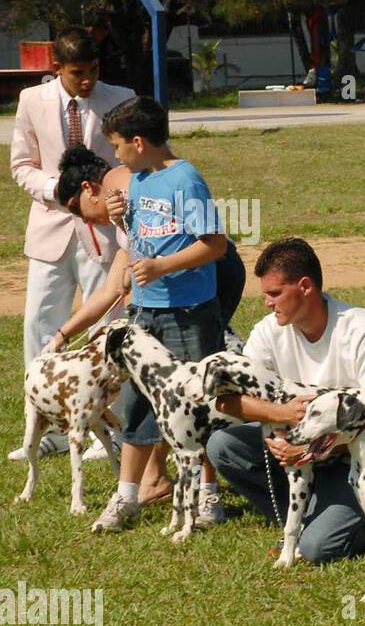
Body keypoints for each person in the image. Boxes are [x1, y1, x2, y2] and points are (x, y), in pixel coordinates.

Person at [66, 96, 229, 533]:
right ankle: (126, 497)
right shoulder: (138, 180)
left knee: (197, 402)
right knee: (137, 404)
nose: (114, 155)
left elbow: (215, 245)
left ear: (138, 142)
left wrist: (163, 267)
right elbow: (144, 240)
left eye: (118, 146)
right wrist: (122, 219)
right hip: (145, 308)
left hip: (188, 311)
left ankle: (208, 493)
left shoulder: (185, 180)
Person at [48, 144, 247, 501]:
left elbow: (160, 187)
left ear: (88, 189)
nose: (86, 222)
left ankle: (192, 484)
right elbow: (109, 292)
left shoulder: (119, 179)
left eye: (79, 211)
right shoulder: (124, 225)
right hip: (190, 281)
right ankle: (158, 477)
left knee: (185, 381)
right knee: (163, 382)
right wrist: (64, 333)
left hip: (209, 274)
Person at [206, 238, 365, 563]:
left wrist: (312, 450)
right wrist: (281, 413)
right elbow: (227, 401)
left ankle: (362, 520)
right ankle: (304, 514)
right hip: (302, 449)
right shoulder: (268, 331)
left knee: (317, 548)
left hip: (359, 459)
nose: (268, 304)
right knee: (222, 445)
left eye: (275, 293)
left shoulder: (362, 330)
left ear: (305, 286)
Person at [9, 26, 133, 460]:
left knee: (108, 329)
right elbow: (21, 165)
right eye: (78, 72)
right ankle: (44, 431)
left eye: (94, 70)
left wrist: (109, 200)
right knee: (41, 328)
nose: (88, 80)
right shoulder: (31, 101)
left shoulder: (120, 98)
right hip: (51, 230)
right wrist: (60, 192)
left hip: (104, 233)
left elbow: (130, 162)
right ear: (56, 68)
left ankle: (109, 427)